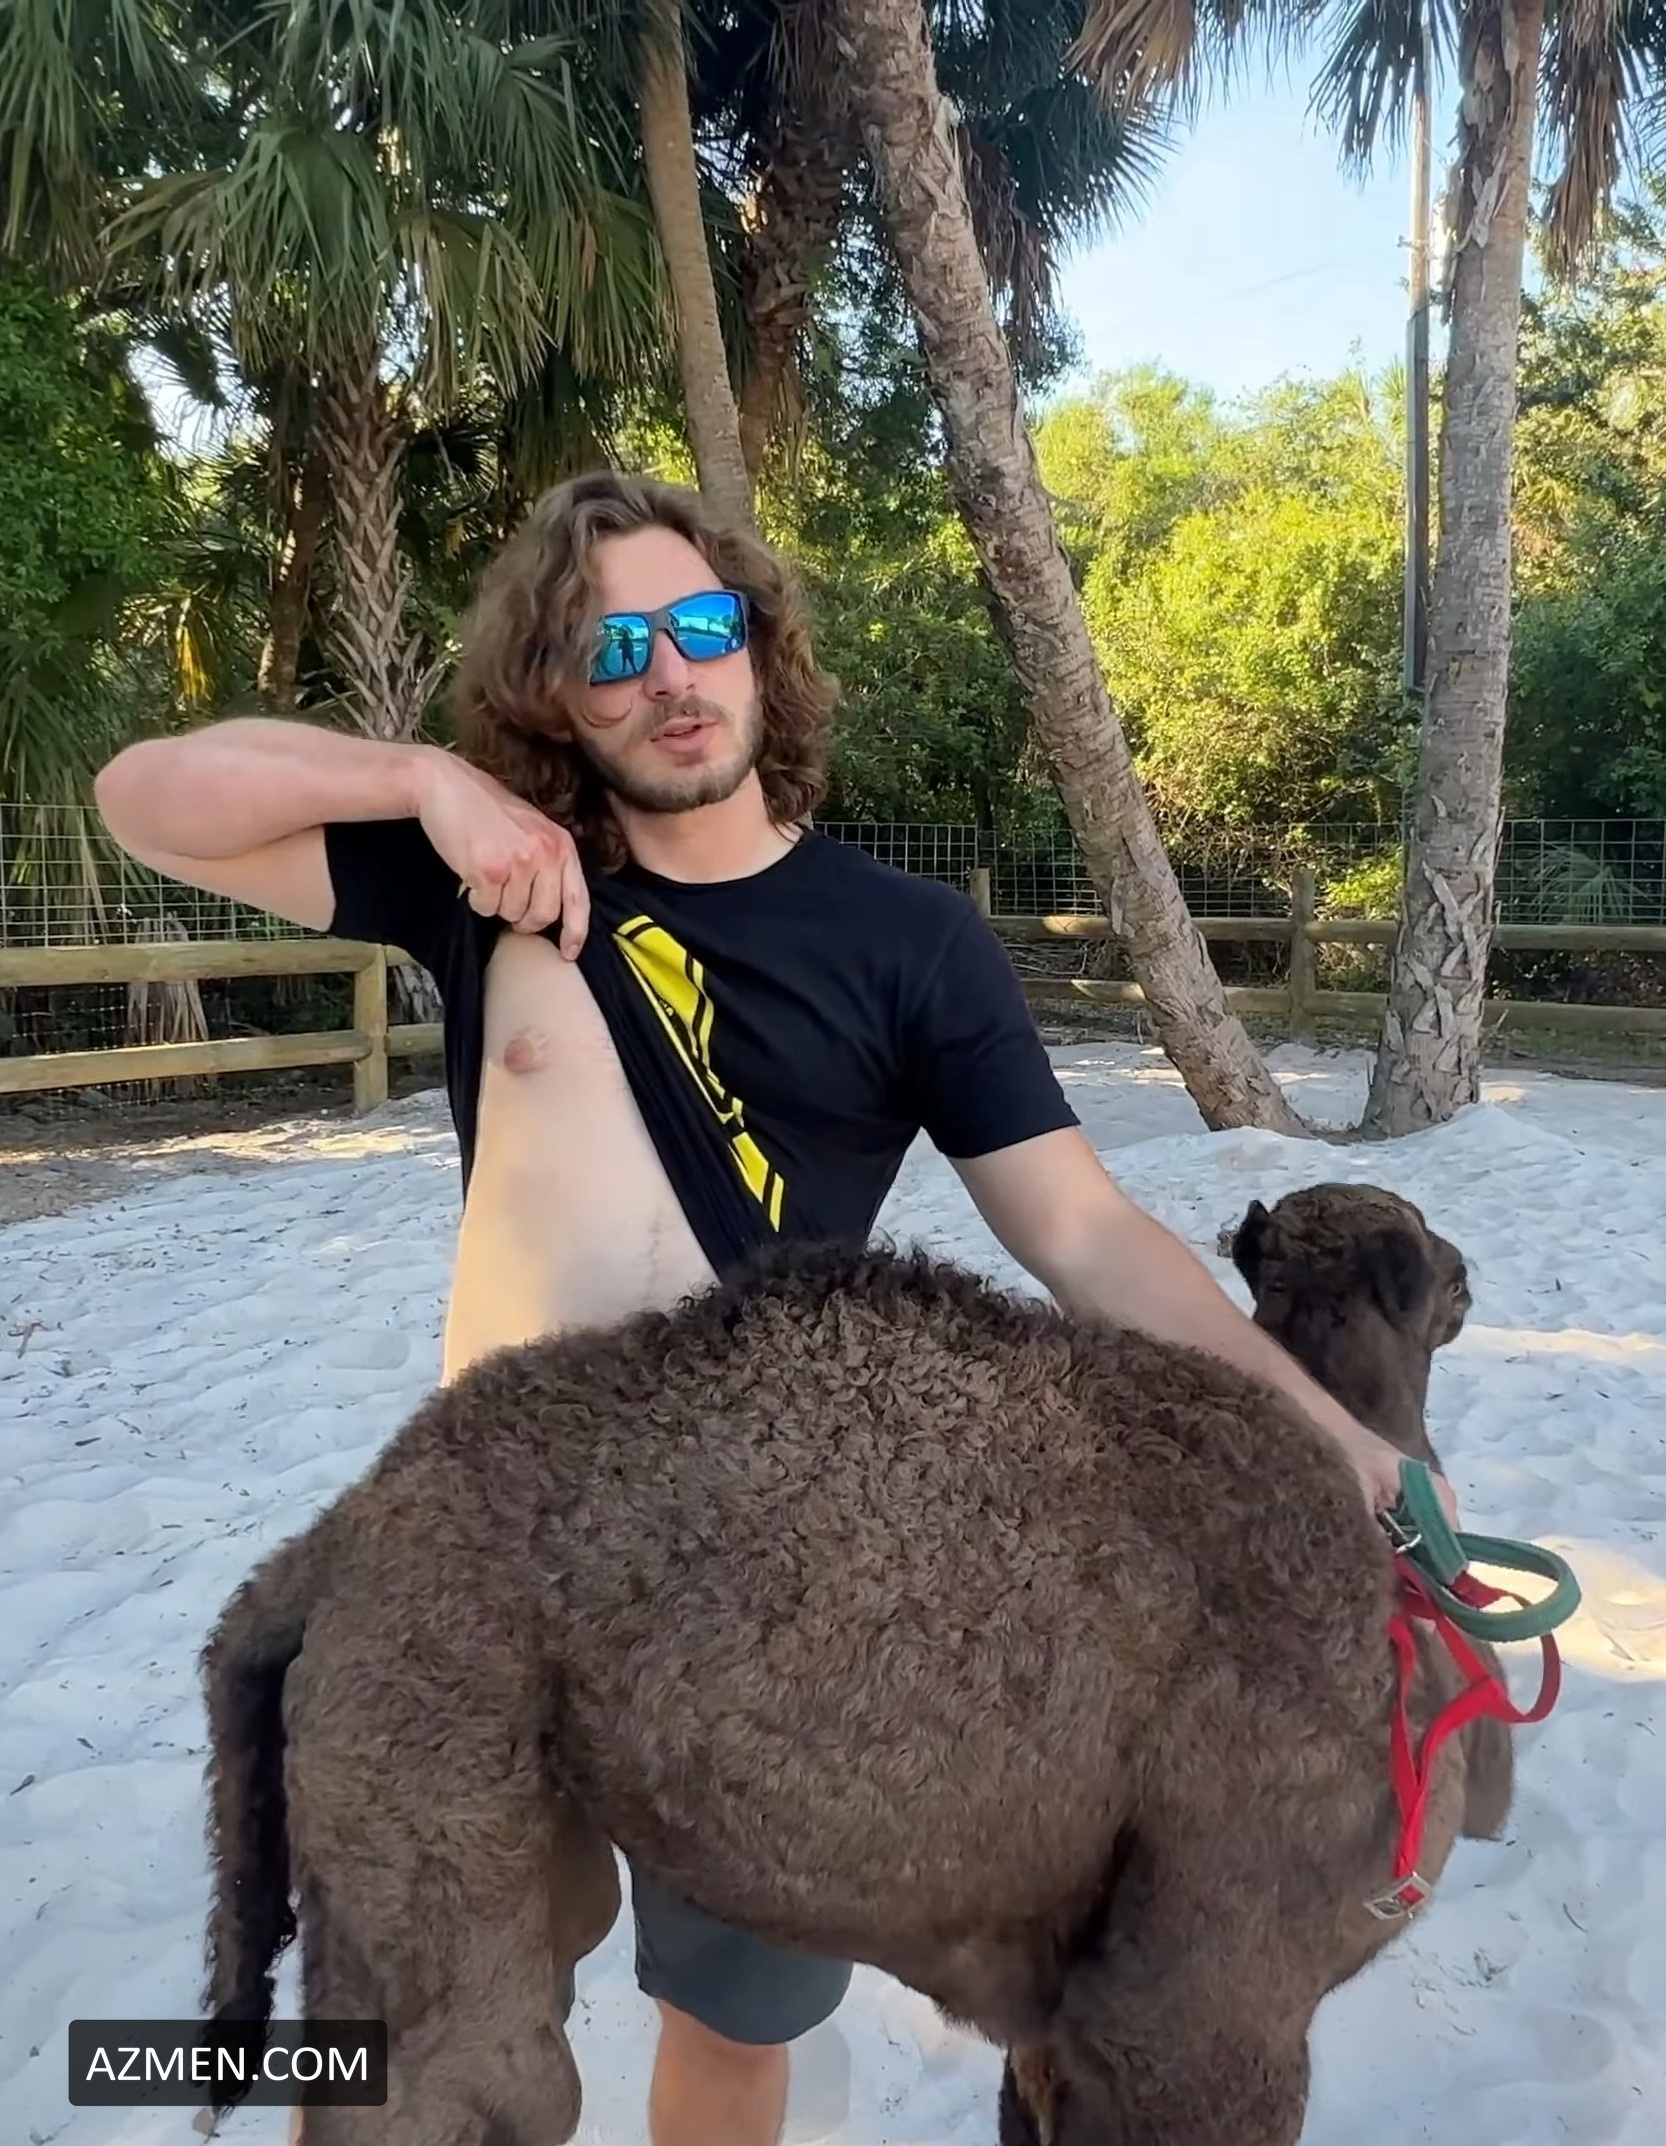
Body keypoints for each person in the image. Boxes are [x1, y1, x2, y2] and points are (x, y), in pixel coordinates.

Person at [95, 469, 1443, 2146]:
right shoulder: (493, 880)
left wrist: (1320, 1428)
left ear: (756, 645)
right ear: (555, 696)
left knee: (730, 2028)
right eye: (612, 649)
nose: (668, 673)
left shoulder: (910, 939)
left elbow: (1085, 1234)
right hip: (491, 1543)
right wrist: (424, 779)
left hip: (768, 1598)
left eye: (699, 626)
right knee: (415, 2043)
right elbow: (146, 797)